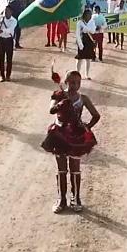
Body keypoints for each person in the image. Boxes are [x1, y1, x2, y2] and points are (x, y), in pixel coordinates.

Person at [41, 69, 100, 213]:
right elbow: (51, 110)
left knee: (75, 168)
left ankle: (76, 198)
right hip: (59, 135)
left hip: (76, 137)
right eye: (72, 82)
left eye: (78, 82)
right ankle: (61, 199)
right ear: (66, 82)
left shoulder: (83, 98)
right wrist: (60, 104)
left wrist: (86, 127)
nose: (75, 85)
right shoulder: (59, 94)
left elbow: (96, 115)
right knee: (61, 169)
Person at [0, 5, 18, 81]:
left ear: (11, 12)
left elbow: (10, 30)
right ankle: (2, 75)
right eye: (5, 11)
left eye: (8, 11)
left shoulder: (14, 21)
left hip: (9, 40)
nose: (6, 12)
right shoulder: (1, 19)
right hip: (1, 40)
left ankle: (8, 75)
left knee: (9, 59)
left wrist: (2, 31)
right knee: (1, 59)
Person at [75, 9, 97, 79]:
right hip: (81, 40)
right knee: (80, 59)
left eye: (90, 15)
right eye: (88, 15)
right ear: (85, 15)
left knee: (88, 59)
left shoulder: (92, 22)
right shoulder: (79, 22)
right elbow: (77, 34)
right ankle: (77, 73)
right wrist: (80, 44)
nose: (90, 16)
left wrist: (86, 29)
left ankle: (87, 75)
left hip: (89, 41)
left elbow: (93, 31)